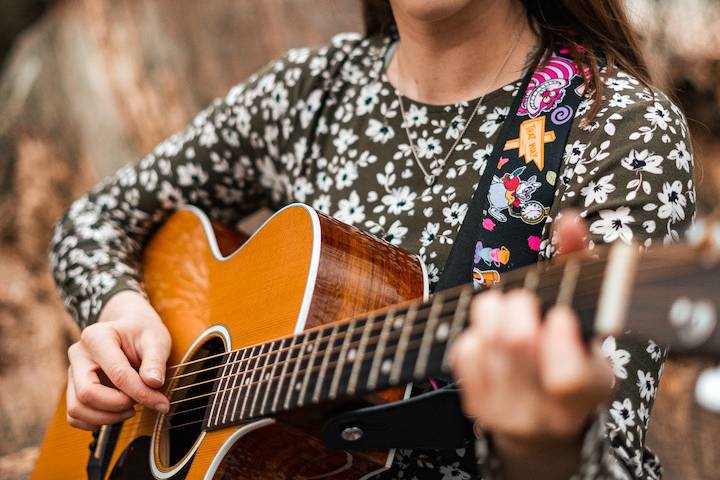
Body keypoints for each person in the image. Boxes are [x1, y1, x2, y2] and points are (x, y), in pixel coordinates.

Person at [50, 0, 695, 478]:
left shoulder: (615, 129)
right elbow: (94, 221)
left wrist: (546, 449)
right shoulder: (312, 93)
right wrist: (121, 311)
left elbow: (617, 459)